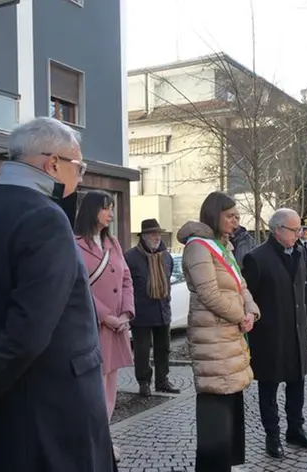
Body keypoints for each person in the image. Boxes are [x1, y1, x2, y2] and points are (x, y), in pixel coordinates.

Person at [0, 117, 116, 472]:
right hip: (48, 410)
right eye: (79, 165)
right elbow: (28, 333)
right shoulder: (44, 216)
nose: (81, 176)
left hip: (5, 409)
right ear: (52, 164)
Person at [178, 191, 259, 472]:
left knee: (228, 417)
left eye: (237, 216)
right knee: (215, 418)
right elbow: (209, 294)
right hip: (213, 341)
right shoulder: (199, 247)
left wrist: (251, 312)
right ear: (215, 215)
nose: (236, 222)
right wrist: (240, 316)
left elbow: (241, 286)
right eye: (231, 216)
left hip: (229, 339)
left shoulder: (222, 246)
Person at [243, 208, 307, 459]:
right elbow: (248, 300)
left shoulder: (299, 251)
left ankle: (295, 430)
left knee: (297, 384)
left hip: (297, 333)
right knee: (269, 388)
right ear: (277, 230)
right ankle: (272, 436)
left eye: (300, 229)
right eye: (294, 229)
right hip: (270, 337)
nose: (299, 234)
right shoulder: (256, 258)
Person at [75, 190, 136, 462]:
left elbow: (126, 279)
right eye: (106, 209)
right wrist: (105, 315)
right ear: (91, 211)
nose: (111, 214)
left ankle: (104, 440)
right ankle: (94, 443)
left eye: (112, 208)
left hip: (117, 327)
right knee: (94, 392)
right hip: (93, 328)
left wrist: (126, 312)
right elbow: (78, 288)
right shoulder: (75, 244)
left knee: (111, 387)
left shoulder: (113, 242)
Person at [124, 218, 180, 397]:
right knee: (142, 350)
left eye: (158, 233)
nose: (157, 237)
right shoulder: (131, 257)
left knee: (163, 348)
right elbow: (126, 285)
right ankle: (144, 382)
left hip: (162, 310)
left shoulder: (166, 256)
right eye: (153, 234)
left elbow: (169, 278)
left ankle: (162, 381)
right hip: (141, 313)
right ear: (144, 236)